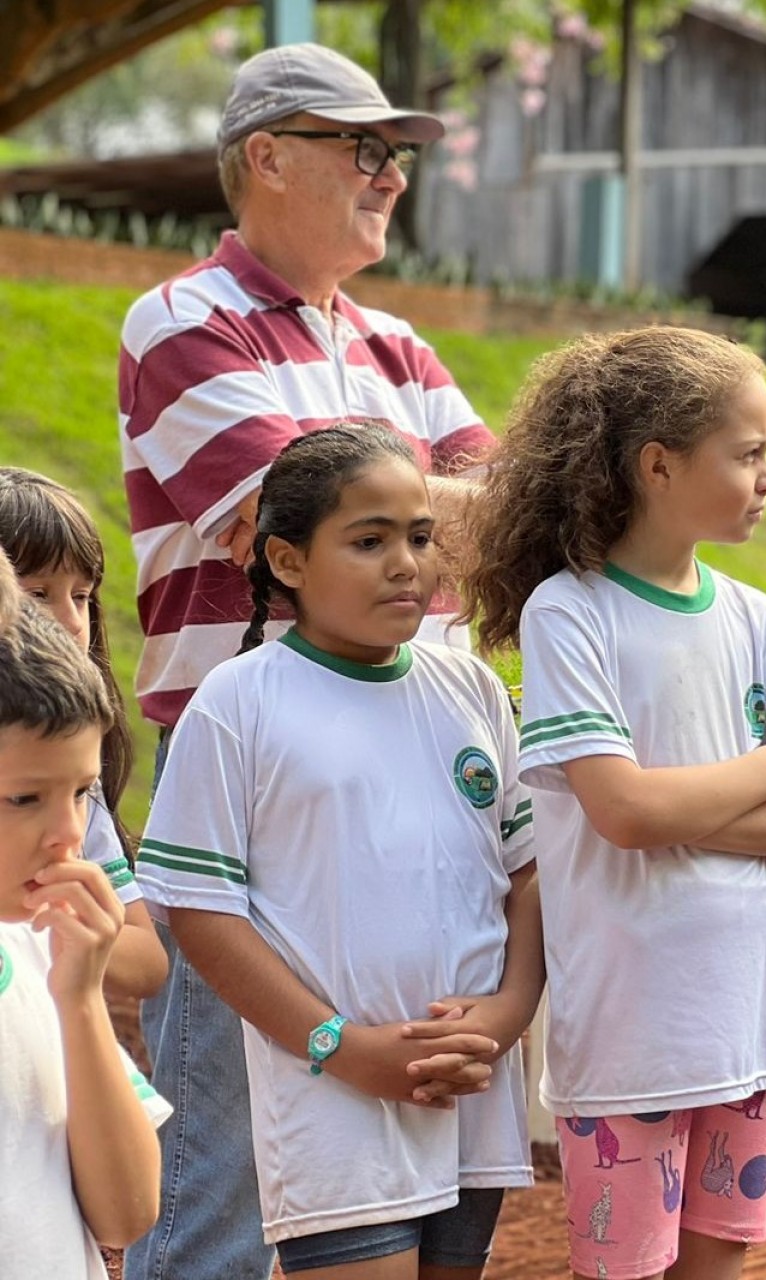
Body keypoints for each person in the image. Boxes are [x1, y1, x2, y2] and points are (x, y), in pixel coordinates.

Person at [119, 43, 495, 1280]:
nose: (393, 177)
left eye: (398, 156)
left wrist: (461, 510)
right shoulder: (180, 320)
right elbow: (283, 507)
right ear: (267, 156)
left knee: (401, 1141)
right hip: (255, 761)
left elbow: (522, 523)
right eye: (366, 149)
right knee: (224, 1155)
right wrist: (456, 508)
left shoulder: (397, 343)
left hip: (422, 752)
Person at [461, 327, 766, 1280]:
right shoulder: (572, 611)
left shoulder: (759, 619)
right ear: (659, 464)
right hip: (633, 1031)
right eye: (749, 454)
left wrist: (681, 808)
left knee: (717, 1267)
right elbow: (623, 814)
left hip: (749, 1019)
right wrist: (765, 769)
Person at [133, 426, 540, 1277]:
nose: (406, 564)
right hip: (333, 1096)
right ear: (285, 561)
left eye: (421, 537)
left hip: (468, 1082)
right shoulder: (237, 705)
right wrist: (341, 1047)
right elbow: (203, 915)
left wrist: (505, 1017)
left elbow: (527, 872)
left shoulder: (470, 689)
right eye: (369, 540)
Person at [0, 571, 169, 1279]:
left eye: (81, 792)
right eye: (23, 798)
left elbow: (128, 1214)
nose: (68, 835)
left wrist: (79, 1001)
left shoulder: (35, 941)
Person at [0, 469, 168, 1000]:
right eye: (38, 593)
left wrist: (63, 921)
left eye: (82, 596)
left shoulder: (71, 782)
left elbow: (146, 961)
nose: (72, 621)